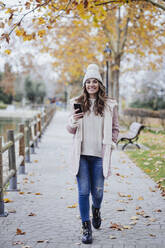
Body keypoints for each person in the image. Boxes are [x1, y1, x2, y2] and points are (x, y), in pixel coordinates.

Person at [66, 64, 119, 244]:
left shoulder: (109, 105)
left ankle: (96, 209)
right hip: (81, 155)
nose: (91, 85)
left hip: (99, 155)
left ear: (99, 84)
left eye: (94, 81)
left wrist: (112, 143)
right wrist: (73, 120)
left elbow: (115, 129)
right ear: (84, 84)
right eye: (88, 81)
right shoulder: (78, 102)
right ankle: (86, 227)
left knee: (97, 192)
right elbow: (70, 130)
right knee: (83, 191)